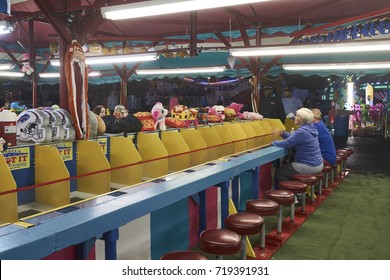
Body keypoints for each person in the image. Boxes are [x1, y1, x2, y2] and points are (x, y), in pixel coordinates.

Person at [271, 107, 323, 182]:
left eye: (297, 116)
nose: (295, 117)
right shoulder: (310, 128)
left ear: (302, 119)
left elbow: (287, 143)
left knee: (279, 172)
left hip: (309, 165)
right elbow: (295, 138)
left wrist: (273, 143)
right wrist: (282, 133)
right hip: (318, 163)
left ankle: (292, 192)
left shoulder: (302, 131)